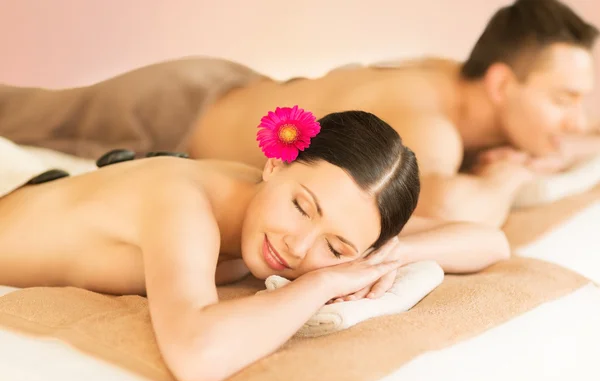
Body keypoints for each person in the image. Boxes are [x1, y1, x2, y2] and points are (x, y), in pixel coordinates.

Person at [0, 109, 510, 381]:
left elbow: (490, 241)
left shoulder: (340, 211)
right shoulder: (184, 204)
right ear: (275, 165)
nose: (297, 244)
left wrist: (386, 255)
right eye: (301, 207)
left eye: (336, 246)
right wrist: (327, 279)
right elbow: (198, 357)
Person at [188, 0, 600, 227]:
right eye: (563, 101)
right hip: (181, 110)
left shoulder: (458, 77)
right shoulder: (432, 125)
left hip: (230, 87)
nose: (577, 122)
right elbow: (449, 211)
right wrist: (514, 174)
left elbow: (588, 135)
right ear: (501, 85)